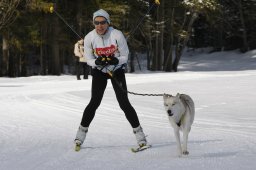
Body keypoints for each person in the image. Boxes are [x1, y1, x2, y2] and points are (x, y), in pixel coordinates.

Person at [74, 9, 147, 148]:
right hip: (100, 72)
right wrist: (97, 62)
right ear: (94, 23)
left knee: (124, 103)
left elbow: (125, 56)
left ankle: (141, 137)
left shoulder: (116, 34)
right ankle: (79, 136)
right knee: (94, 102)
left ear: (108, 23)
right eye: (97, 22)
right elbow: (88, 59)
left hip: (116, 71)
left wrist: (115, 61)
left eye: (103, 22)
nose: (100, 26)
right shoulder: (89, 37)